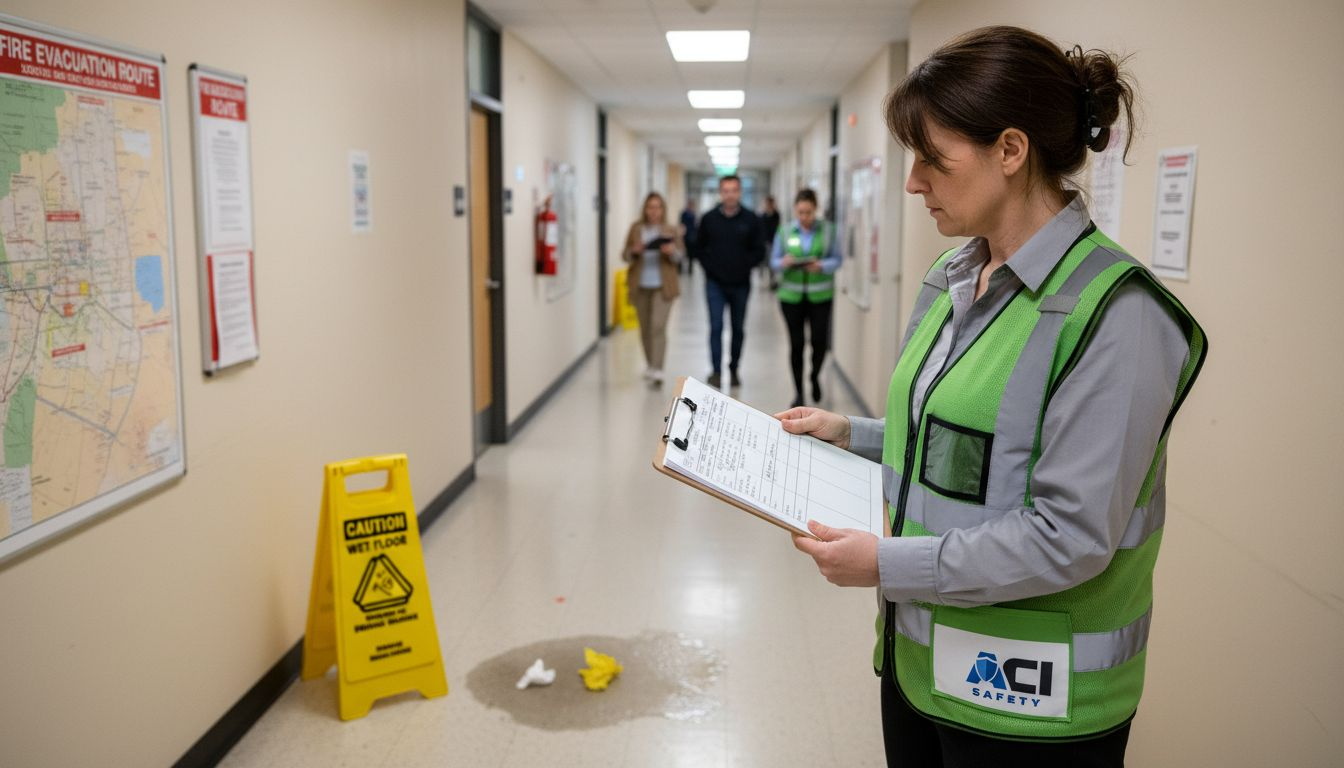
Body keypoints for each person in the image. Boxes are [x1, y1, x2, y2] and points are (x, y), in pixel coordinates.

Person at [778, 26, 1208, 767]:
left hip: (1030, 709)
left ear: (1010, 151)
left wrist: (885, 564)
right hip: (918, 668)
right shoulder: (954, 278)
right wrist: (852, 433)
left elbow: (1069, 535)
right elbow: (975, 444)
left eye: (930, 160)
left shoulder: (1117, 315)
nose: (913, 183)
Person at [771, 188, 841, 408]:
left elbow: (837, 260)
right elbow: (773, 261)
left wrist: (821, 265)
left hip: (820, 296)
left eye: (808, 212)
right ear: (795, 210)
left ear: (815, 209)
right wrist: (784, 262)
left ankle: (814, 376)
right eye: (800, 212)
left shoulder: (829, 231)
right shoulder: (784, 231)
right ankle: (799, 392)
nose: (804, 217)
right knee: (797, 344)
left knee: (819, 342)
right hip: (790, 298)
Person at [695, 175, 765, 388]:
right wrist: (711, 268)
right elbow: (699, 248)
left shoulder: (751, 219)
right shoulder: (709, 219)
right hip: (715, 283)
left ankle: (733, 369)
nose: (730, 194)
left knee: (737, 328)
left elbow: (759, 251)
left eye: (734, 190)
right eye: (726, 190)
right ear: (720, 192)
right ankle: (716, 371)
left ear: (740, 192)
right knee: (716, 327)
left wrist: (744, 265)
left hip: (741, 284)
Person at [622, 192, 683, 386]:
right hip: (640, 286)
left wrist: (672, 252)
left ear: (663, 209)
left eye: (658, 207)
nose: (654, 211)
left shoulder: (670, 230)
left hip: (664, 287)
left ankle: (658, 368)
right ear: (645, 209)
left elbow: (681, 257)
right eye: (650, 207)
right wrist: (634, 251)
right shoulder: (636, 228)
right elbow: (625, 255)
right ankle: (650, 363)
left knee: (658, 326)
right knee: (645, 328)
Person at [759, 195, 781, 290]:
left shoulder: (776, 215)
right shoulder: (762, 216)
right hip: (764, 241)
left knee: (771, 263)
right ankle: (763, 280)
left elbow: (776, 227)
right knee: (764, 262)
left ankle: (772, 281)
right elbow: (761, 229)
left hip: (773, 241)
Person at [679, 198, 698, 275]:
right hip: (684, 236)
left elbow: (695, 225)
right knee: (682, 252)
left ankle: (690, 269)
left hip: (691, 236)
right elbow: (682, 224)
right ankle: (680, 269)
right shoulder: (684, 213)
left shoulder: (693, 214)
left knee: (690, 253)